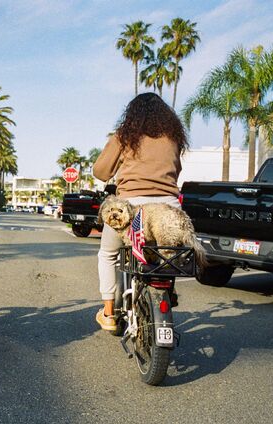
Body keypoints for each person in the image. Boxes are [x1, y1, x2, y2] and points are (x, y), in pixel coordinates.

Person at [92, 93, 188, 331]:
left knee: (108, 254)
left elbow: (101, 172)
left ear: (132, 114)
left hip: (132, 211)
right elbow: (176, 171)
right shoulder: (173, 137)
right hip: (167, 209)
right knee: (166, 253)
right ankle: (168, 291)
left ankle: (108, 314)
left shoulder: (126, 136)